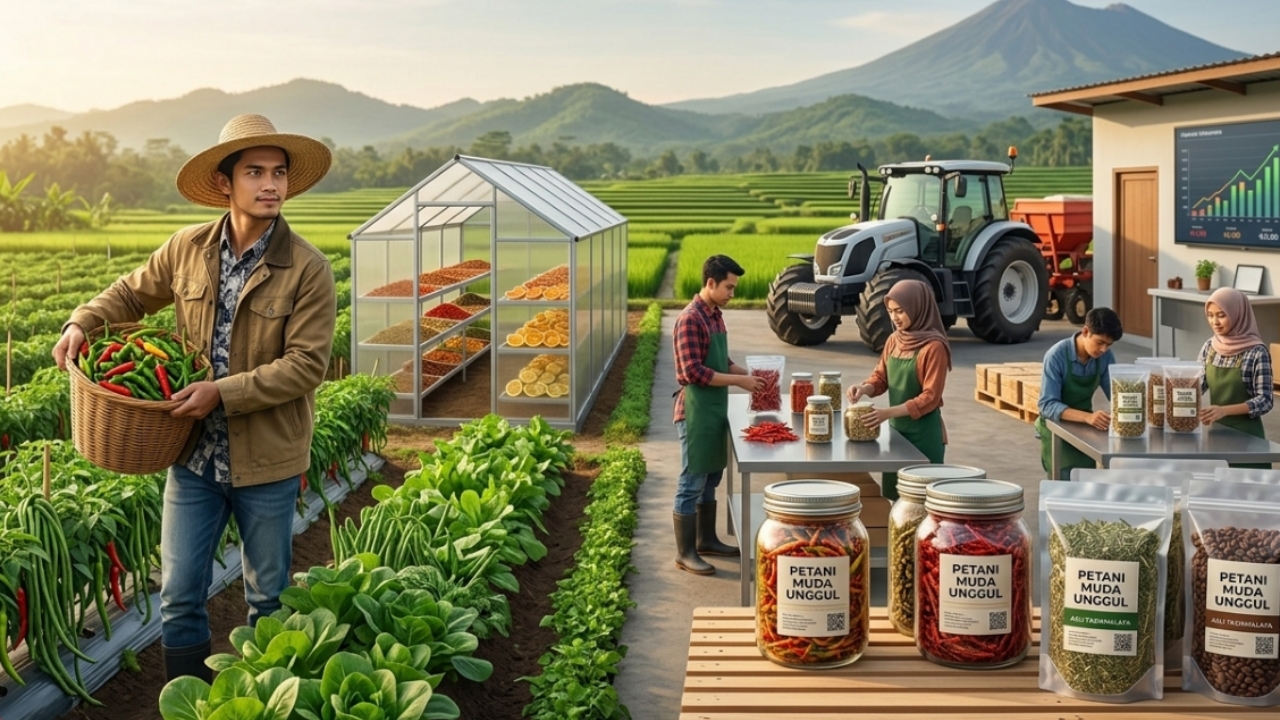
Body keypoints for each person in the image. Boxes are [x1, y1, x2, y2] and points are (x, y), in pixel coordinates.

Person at [52, 114, 337, 681]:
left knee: (268, 599)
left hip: (268, 462)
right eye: (255, 172)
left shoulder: (308, 268)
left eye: (279, 173)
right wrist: (82, 321)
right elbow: (130, 294)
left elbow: (306, 365)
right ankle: (190, 703)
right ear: (225, 182)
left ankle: (263, 701)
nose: (271, 185)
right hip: (193, 457)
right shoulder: (188, 248)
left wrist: (221, 393)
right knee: (179, 595)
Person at [672, 255, 762, 575]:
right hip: (694, 412)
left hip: (713, 410)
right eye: (729, 287)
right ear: (710, 282)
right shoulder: (690, 319)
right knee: (692, 479)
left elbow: (721, 360)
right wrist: (739, 382)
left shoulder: (715, 316)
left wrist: (751, 374)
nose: (732, 294)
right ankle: (685, 553)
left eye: (734, 288)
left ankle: (706, 539)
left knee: (712, 475)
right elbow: (692, 371)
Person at [846, 279, 951, 501]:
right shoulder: (894, 340)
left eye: (900, 311)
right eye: (891, 311)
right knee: (896, 500)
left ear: (918, 308)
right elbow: (881, 377)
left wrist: (887, 413)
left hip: (924, 436)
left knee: (923, 501)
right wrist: (864, 388)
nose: (894, 317)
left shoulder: (934, 347)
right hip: (897, 435)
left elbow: (930, 397)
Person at [1035, 306, 1122, 480]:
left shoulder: (1105, 357)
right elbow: (1047, 405)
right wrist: (1088, 417)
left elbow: (1116, 394)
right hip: (1056, 428)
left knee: (1087, 480)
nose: (1103, 350)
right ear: (1085, 331)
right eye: (1100, 342)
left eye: (1108, 345)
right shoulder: (1056, 356)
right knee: (1063, 480)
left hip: (1084, 430)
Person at [1199, 287, 1273, 468]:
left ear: (1238, 314)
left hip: (1248, 437)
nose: (1215, 322)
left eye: (1221, 315)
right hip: (1217, 434)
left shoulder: (1257, 352)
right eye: (1210, 315)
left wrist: (1224, 411)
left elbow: (1265, 400)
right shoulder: (1210, 347)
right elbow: (1197, 385)